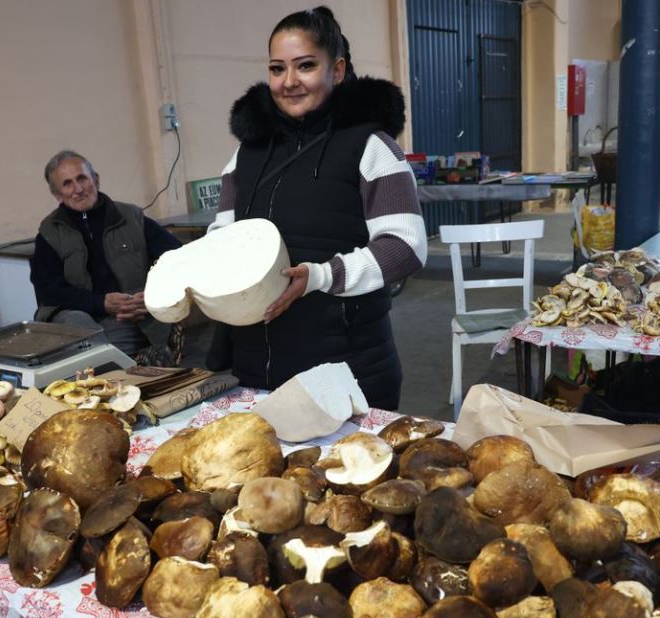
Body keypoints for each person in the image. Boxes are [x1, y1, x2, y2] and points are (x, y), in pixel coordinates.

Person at [207, 6, 426, 410]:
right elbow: (223, 238)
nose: (289, 82)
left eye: (305, 66)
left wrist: (322, 276)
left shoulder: (371, 147)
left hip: (348, 371)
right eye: (277, 69)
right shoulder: (246, 155)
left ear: (337, 70)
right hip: (257, 369)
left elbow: (405, 246)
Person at [29, 150, 182, 360]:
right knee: (84, 330)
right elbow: (47, 289)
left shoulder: (131, 217)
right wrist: (99, 303)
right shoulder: (50, 232)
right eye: (67, 184)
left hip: (130, 313)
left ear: (96, 180)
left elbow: (177, 258)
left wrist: (152, 295)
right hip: (79, 315)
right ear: (57, 194)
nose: (78, 189)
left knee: (112, 356)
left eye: (82, 178)